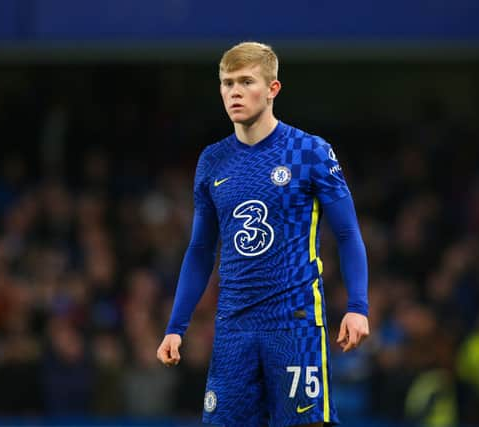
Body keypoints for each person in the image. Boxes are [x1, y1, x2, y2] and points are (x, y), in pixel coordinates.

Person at [157, 41, 370, 427]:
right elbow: (201, 249)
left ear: (272, 89)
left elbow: (348, 234)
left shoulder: (310, 152)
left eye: (245, 82)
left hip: (295, 322)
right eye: (226, 83)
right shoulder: (212, 161)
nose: (234, 92)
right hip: (233, 328)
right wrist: (176, 326)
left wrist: (357, 306)